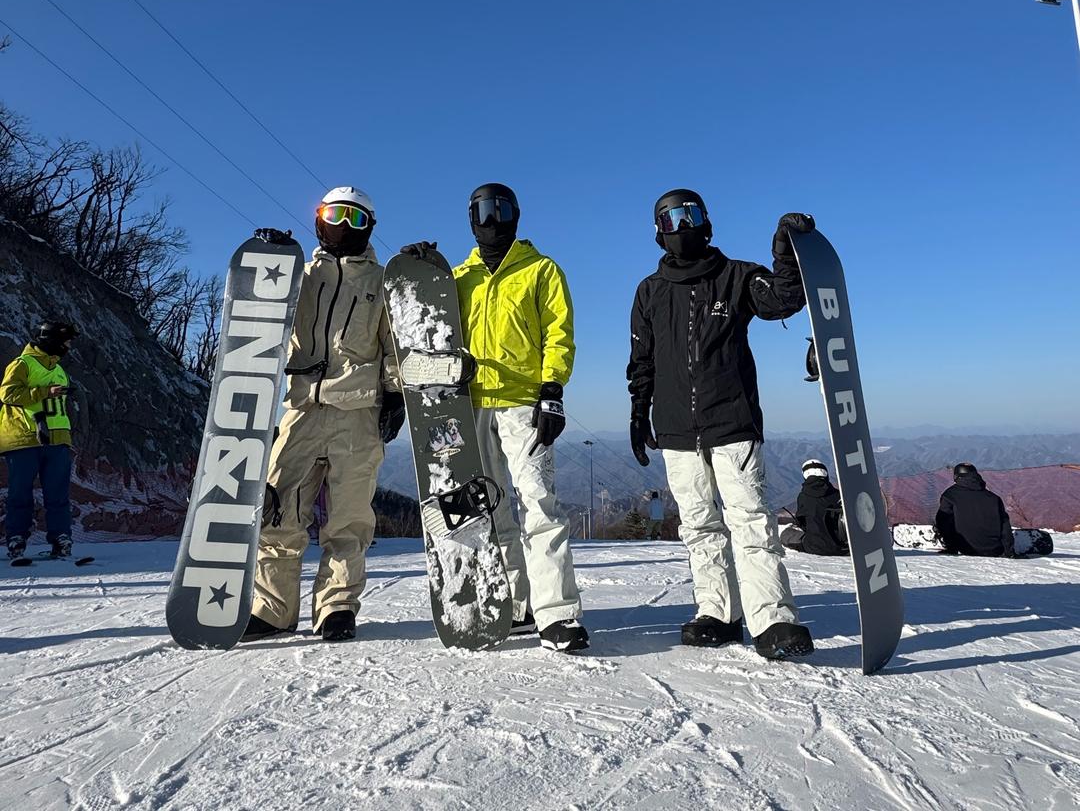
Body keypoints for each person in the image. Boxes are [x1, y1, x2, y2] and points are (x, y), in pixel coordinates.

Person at [626, 189, 815, 659]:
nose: (681, 226)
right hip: (676, 430)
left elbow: (783, 300)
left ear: (707, 223)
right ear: (657, 232)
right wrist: (638, 411)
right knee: (699, 526)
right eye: (669, 219)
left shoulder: (737, 277)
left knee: (750, 520)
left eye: (689, 215)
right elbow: (642, 360)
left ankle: (773, 619)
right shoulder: (650, 291)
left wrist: (786, 252)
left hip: (733, 421)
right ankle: (718, 612)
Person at [403, 182, 587, 652]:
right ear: (470, 218)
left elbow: (558, 334)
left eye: (500, 208)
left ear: (515, 215)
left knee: (539, 502)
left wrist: (551, 390)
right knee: (489, 511)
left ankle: (557, 614)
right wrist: (424, 272)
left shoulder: (541, 270)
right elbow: (433, 327)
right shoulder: (459, 277)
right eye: (482, 209)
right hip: (469, 406)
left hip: (523, 403)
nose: (491, 219)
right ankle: (516, 604)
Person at [245, 187, 404, 643]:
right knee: (279, 508)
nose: (344, 226)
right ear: (318, 220)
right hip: (300, 408)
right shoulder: (301, 276)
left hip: (357, 411)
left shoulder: (381, 282)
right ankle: (273, 609)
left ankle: (337, 606)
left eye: (356, 218)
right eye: (335, 215)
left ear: (370, 227)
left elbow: (394, 345)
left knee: (349, 517)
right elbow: (261, 318)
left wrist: (395, 396)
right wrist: (270, 261)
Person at [1, 322, 80, 562]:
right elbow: (7, 394)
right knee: (20, 493)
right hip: (25, 438)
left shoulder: (59, 369)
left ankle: (61, 539)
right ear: (52, 341)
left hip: (56, 440)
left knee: (58, 494)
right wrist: (44, 392)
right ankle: (16, 539)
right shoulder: (22, 363)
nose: (68, 347)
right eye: (66, 342)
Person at [935, 463, 1015, 558]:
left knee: (943, 518)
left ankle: (951, 547)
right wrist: (1009, 551)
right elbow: (1005, 527)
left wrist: (951, 547)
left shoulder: (950, 495)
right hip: (994, 549)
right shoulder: (994, 498)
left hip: (965, 548)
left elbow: (942, 522)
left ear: (956, 477)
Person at [781, 459, 849, 556]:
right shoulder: (838, 495)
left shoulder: (804, 496)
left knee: (786, 534)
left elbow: (802, 522)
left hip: (814, 546)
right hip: (841, 547)